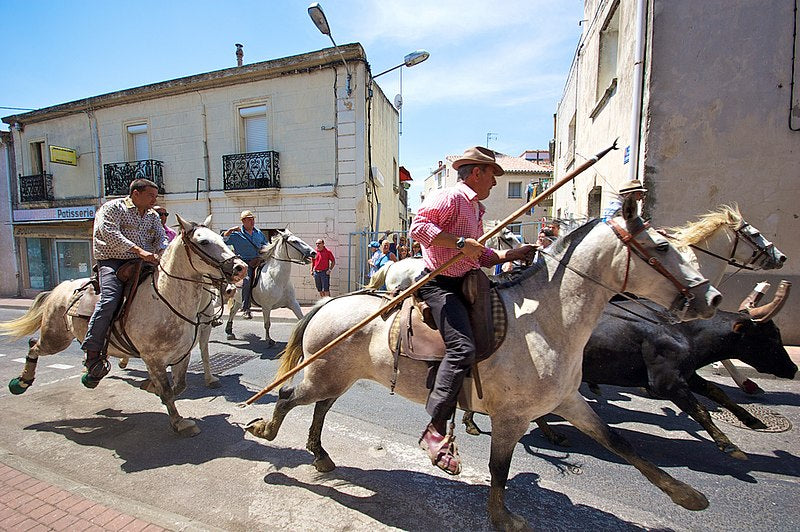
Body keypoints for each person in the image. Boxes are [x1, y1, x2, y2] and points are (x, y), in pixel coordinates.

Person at [410, 146, 535, 475]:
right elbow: (418, 229)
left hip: (467, 279)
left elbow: (479, 257)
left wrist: (511, 255)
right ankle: (435, 429)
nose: (495, 182)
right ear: (477, 172)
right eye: (493, 174)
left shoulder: (476, 209)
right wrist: (460, 244)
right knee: (462, 347)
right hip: (439, 283)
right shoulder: (450, 197)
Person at [81, 178, 166, 388]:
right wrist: (138, 250)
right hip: (114, 261)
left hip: (145, 261)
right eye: (150, 196)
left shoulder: (153, 215)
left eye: (155, 197)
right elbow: (109, 233)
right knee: (109, 300)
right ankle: (92, 351)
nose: (154, 200)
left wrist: (163, 250)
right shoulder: (112, 208)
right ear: (136, 194)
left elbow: (161, 236)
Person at [222, 210, 269, 319]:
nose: (252, 221)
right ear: (243, 221)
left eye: (253, 219)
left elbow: (266, 245)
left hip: (259, 260)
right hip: (245, 263)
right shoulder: (236, 234)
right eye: (249, 219)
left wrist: (262, 255)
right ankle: (246, 308)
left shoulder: (258, 232)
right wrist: (229, 231)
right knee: (247, 280)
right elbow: (223, 240)